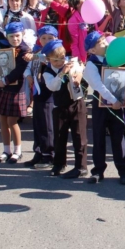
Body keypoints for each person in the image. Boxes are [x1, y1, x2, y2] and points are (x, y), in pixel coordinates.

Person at [83, 31, 125, 184]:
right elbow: (98, 85)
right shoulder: (91, 64)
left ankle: (123, 171)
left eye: (104, 40)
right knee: (98, 138)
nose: (106, 44)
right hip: (101, 105)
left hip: (117, 104)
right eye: (101, 43)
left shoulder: (114, 58)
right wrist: (113, 100)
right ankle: (98, 171)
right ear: (92, 50)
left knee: (118, 137)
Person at [43, 40, 89, 179]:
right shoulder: (47, 72)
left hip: (76, 103)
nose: (61, 62)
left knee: (79, 136)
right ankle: (59, 164)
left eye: (63, 58)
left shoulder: (71, 62)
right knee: (59, 136)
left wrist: (79, 74)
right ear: (48, 59)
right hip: (60, 106)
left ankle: (81, 167)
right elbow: (52, 86)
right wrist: (61, 73)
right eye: (56, 60)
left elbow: (81, 69)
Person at [0, 22, 31, 163]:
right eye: (12, 36)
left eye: (17, 36)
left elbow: (18, 71)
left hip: (16, 89)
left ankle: (17, 151)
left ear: (23, 34)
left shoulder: (26, 51)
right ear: (7, 37)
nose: (15, 39)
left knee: (12, 121)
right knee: (2, 119)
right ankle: (6, 150)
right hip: (4, 88)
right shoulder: (5, 47)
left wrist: (6, 80)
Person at [21, 25, 59, 169]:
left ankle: (49, 155)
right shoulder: (37, 51)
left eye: (50, 38)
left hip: (49, 94)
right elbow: (27, 67)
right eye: (43, 38)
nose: (47, 40)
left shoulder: (56, 52)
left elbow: (51, 62)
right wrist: (29, 75)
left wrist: (37, 56)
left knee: (47, 125)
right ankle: (38, 151)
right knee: (37, 124)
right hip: (37, 92)